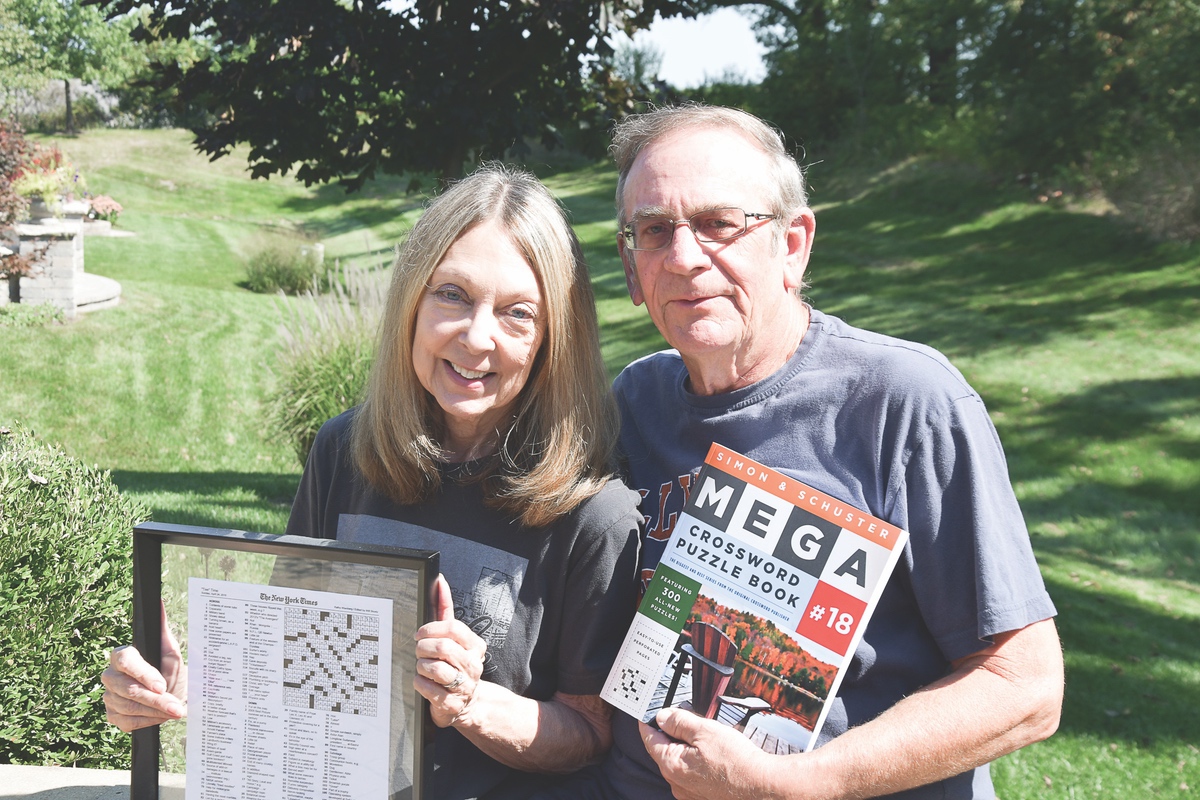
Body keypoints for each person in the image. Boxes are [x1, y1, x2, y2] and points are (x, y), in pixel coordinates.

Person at [540, 105, 1064, 800]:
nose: (684, 257)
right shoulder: (635, 402)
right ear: (632, 272)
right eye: (655, 231)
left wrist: (804, 783)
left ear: (793, 246)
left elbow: (1025, 684)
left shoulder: (903, 402)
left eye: (720, 223)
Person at [101, 164, 643, 799]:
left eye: (518, 313)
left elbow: (588, 734)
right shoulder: (344, 452)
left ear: (552, 339)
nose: (476, 337)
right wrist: (185, 690)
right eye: (452, 295)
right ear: (411, 301)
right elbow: (292, 664)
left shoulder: (594, 512)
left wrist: (470, 702)